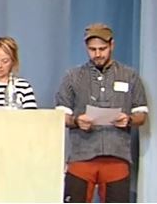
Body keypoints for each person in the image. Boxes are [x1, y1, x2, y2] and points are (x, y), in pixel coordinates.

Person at [57, 23, 148, 203]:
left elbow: (142, 115)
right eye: (92, 49)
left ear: (112, 45)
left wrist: (128, 120)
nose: (97, 54)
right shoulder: (73, 76)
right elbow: (60, 116)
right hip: (82, 156)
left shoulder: (130, 76)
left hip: (117, 156)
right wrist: (76, 121)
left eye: (102, 49)